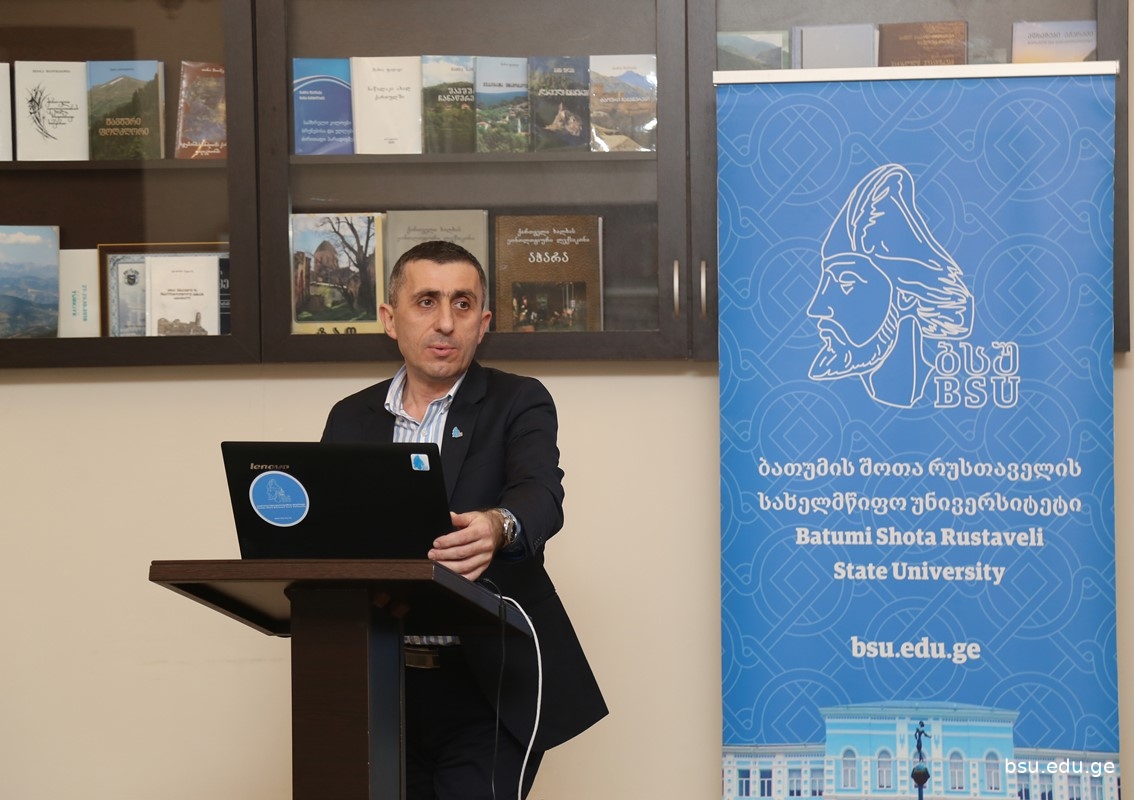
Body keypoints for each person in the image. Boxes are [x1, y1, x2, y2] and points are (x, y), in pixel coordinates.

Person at [320, 240, 607, 799]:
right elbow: (331, 535)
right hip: (380, 678)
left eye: (463, 304)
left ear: (484, 323)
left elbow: (541, 493)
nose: (446, 322)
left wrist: (499, 524)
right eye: (426, 301)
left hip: (488, 682)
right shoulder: (350, 417)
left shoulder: (519, 401)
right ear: (390, 319)